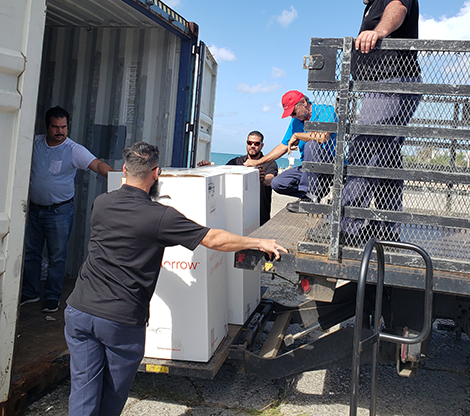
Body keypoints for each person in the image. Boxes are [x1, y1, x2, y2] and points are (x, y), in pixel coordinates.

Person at [64, 141, 286, 416]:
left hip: (79, 311)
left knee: (83, 393)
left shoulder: (101, 203)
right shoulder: (159, 216)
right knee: (111, 397)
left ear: (124, 170)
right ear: (156, 173)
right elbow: (214, 239)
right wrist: (257, 242)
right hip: (119, 320)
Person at [341, 0, 421, 244]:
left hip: (393, 84)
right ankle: (388, 227)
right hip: (387, 86)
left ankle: (348, 229)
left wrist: (378, 31)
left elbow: (397, 9)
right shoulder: (375, 0)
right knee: (386, 157)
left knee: (364, 149)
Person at [21, 106, 113, 313]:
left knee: (57, 255)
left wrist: (119, 177)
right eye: (55, 127)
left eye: (63, 127)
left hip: (59, 212)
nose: (60, 131)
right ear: (48, 126)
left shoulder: (73, 149)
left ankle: (52, 297)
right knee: (31, 253)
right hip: (34, 210)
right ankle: (30, 292)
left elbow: (97, 165)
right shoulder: (34, 142)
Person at [245, 91, 337, 213]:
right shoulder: (295, 122)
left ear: (303, 102)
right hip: (308, 169)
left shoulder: (326, 111)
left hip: (330, 164)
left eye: (293, 112)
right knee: (277, 183)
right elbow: (283, 147)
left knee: (311, 145)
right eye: (290, 115)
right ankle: (315, 193)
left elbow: (323, 137)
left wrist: (298, 135)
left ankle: (309, 199)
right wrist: (257, 162)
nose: (292, 116)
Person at [197, 131, 278, 226]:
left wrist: (262, 179)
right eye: (249, 143)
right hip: (237, 217)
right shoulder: (236, 162)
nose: (252, 146)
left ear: (261, 145)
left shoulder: (270, 163)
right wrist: (208, 167)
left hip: (261, 219)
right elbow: (221, 174)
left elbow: (270, 179)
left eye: (256, 143)